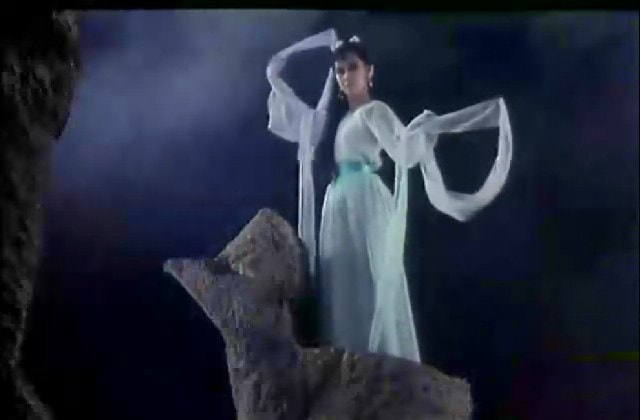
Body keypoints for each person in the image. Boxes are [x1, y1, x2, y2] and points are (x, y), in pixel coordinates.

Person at [266, 28, 513, 363]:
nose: (345, 76)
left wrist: (422, 131)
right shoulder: (340, 120)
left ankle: (379, 361)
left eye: (353, 68)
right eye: (340, 70)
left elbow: (402, 154)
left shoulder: (375, 111)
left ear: (369, 72)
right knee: (342, 288)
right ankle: (348, 363)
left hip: (364, 200)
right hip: (337, 206)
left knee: (369, 281)